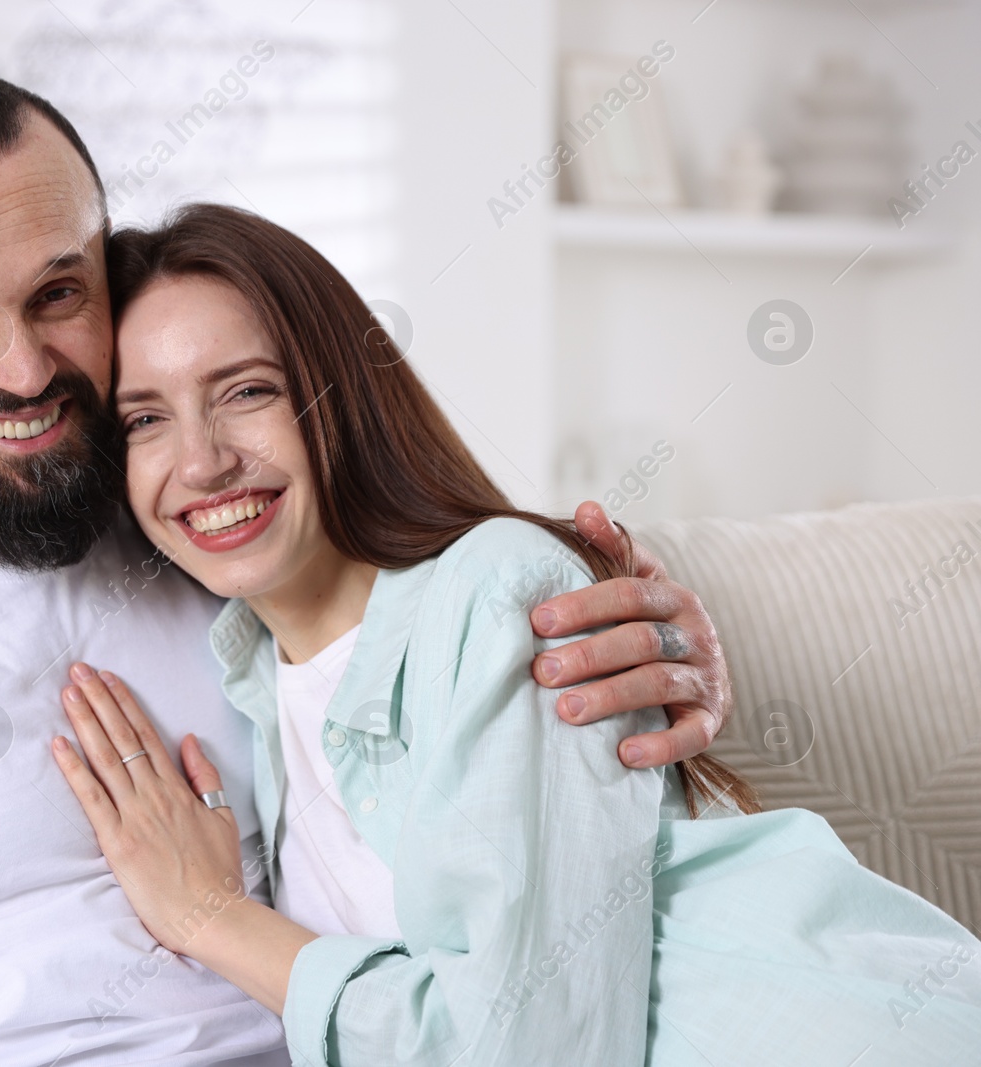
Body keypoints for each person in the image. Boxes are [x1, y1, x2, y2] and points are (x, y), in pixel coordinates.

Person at [0, 70, 741, 1066]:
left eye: (59, 293)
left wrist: (648, 646)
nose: (21, 367)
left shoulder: (211, 526)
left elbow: (458, 610)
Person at [48, 203, 981, 1067]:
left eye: (248, 390)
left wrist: (211, 916)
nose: (203, 461)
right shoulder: (246, 675)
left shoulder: (500, 591)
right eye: (142, 419)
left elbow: (529, 1047)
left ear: (340, 398)